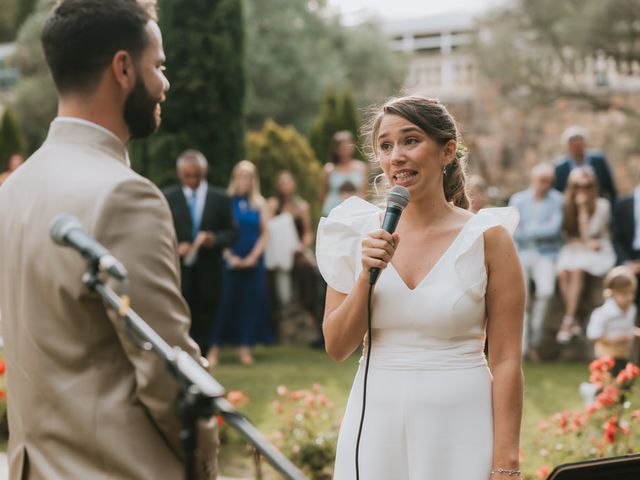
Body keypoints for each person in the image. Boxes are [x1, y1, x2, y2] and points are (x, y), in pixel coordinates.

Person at [0, 1, 218, 478]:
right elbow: (166, 369)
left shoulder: (12, 190)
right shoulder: (125, 196)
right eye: (158, 66)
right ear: (123, 68)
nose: (165, 84)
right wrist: (203, 460)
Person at [316, 96, 525, 479]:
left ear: (447, 151)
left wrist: (506, 462)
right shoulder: (355, 231)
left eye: (410, 141)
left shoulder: (488, 238)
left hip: (461, 425)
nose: (396, 156)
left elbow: (508, 359)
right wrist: (367, 274)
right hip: (375, 424)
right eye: (385, 145)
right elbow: (336, 346)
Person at [163, 150, 239, 353]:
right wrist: (176, 246)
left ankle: (202, 364)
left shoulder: (220, 198)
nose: (193, 180)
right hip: (181, 274)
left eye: (197, 175)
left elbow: (232, 233)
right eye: (188, 176)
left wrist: (213, 240)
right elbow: (161, 232)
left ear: (204, 172)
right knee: (181, 322)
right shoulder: (169, 198)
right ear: (180, 174)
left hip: (209, 273)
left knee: (206, 324)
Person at [208, 160, 272, 366]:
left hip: (253, 261)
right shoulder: (226, 201)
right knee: (225, 303)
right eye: (241, 175)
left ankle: (244, 347)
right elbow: (220, 231)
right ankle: (214, 347)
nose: (244, 180)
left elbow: (265, 234)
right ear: (235, 178)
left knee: (250, 303)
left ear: (254, 180)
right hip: (230, 261)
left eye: (249, 176)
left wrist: (252, 258)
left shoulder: (260, 203)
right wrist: (229, 256)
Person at [509, 164, 564, 360]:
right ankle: (523, 348)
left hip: (546, 255)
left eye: (549, 181)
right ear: (533, 180)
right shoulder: (518, 199)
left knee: (546, 292)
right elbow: (513, 228)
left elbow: (554, 229)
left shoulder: (558, 200)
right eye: (542, 180)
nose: (546, 185)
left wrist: (529, 229)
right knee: (521, 299)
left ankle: (536, 338)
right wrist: (540, 229)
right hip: (521, 253)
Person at [555, 166, 616, 344]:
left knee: (577, 270)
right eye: (578, 186)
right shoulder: (566, 204)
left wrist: (583, 210)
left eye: (588, 185)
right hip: (576, 247)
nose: (583, 189)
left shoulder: (603, 205)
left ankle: (568, 320)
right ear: (572, 187)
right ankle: (572, 320)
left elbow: (591, 233)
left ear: (594, 186)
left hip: (598, 248)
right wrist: (579, 209)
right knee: (563, 273)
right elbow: (568, 234)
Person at [266, 171, 318, 343]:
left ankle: (308, 307)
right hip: (278, 250)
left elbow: (308, 233)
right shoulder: (273, 205)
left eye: (288, 182)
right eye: (282, 183)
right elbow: (268, 229)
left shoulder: (302, 206)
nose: (285, 186)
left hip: (296, 250)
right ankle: (276, 318)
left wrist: (301, 246)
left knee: (307, 268)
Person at [586, 266, 640, 378]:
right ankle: (592, 392)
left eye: (631, 293)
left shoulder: (631, 309)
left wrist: (634, 332)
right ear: (611, 292)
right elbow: (594, 335)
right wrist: (615, 341)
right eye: (624, 294)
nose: (629, 297)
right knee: (606, 384)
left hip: (624, 353)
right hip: (605, 356)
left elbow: (628, 328)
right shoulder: (603, 313)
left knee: (623, 383)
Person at [553, 126, 617, 203]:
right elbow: (557, 192)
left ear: (584, 143)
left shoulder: (598, 160)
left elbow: (609, 186)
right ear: (567, 146)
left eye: (579, 143)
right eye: (573, 144)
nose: (576, 147)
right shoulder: (560, 167)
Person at [321, 130, 368, 215]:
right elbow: (324, 193)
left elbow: (364, 193)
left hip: (355, 211)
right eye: (340, 145)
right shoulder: (329, 169)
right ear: (335, 148)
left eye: (347, 144)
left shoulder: (361, 167)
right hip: (333, 211)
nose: (344, 147)